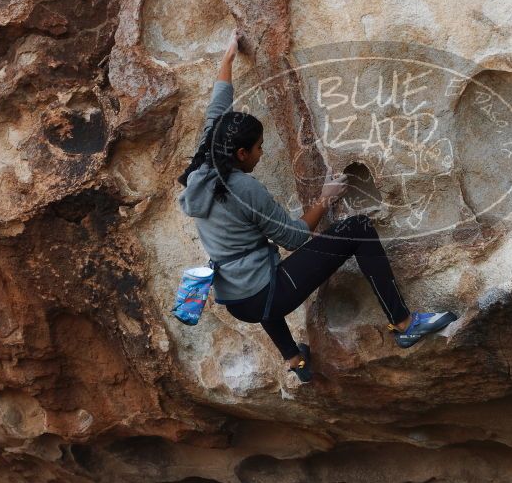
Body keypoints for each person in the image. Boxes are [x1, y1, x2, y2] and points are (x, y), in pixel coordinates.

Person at [177, 29, 457, 383]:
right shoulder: (242, 188)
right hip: (264, 295)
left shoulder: (202, 164)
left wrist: (228, 59)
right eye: (259, 148)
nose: (262, 154)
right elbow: (294, 237)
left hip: (235, 300)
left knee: (259, 274)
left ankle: (295, 360)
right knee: (358, 230)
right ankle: (403, 323)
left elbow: (217, 108)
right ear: (241, 154)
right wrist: (325, 197)